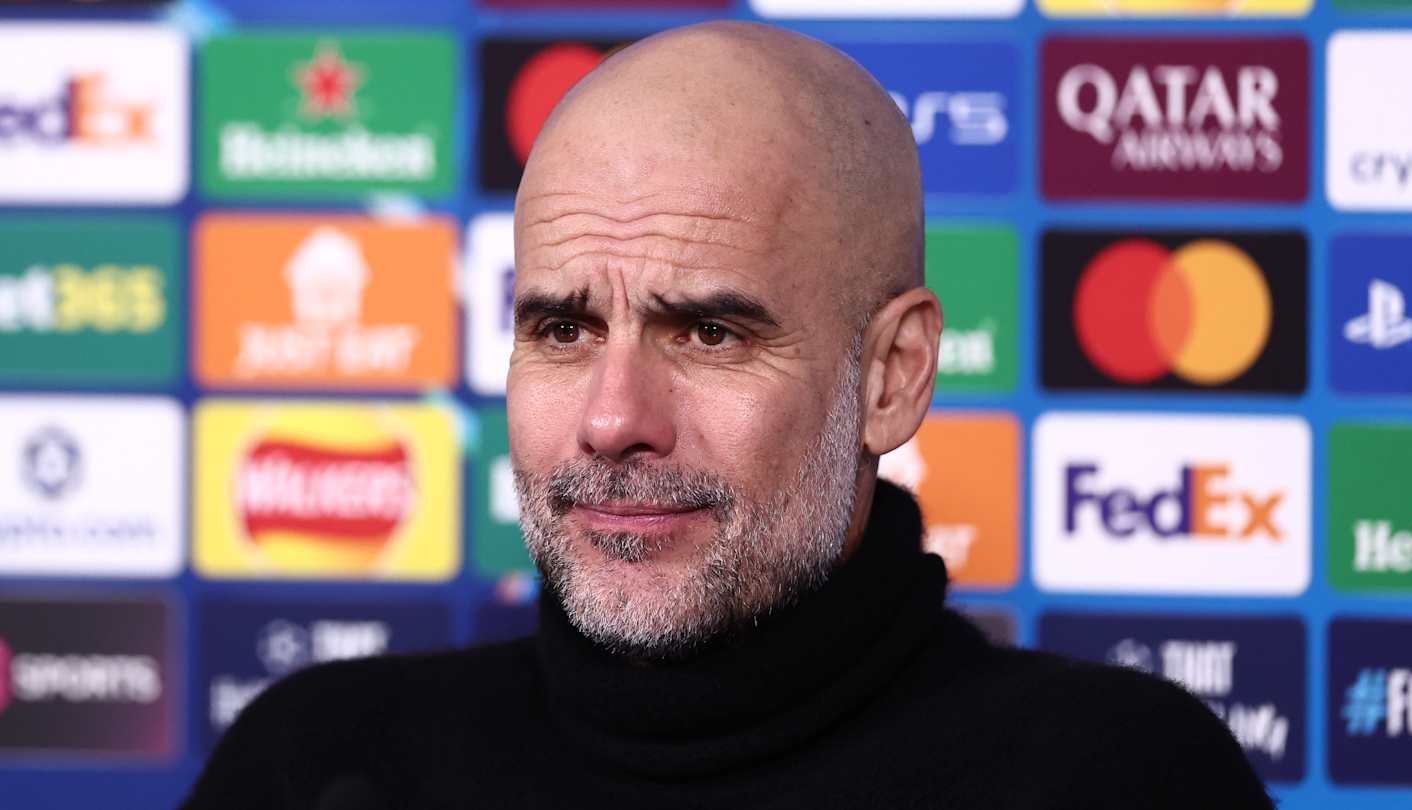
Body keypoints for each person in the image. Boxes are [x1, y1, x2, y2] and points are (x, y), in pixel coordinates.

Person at [183, 21, 1275, 810]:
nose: (615, 422)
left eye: (710, 334)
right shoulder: (317, 763)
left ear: (892, 377)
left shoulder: (1119, 777)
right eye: (562, 329)